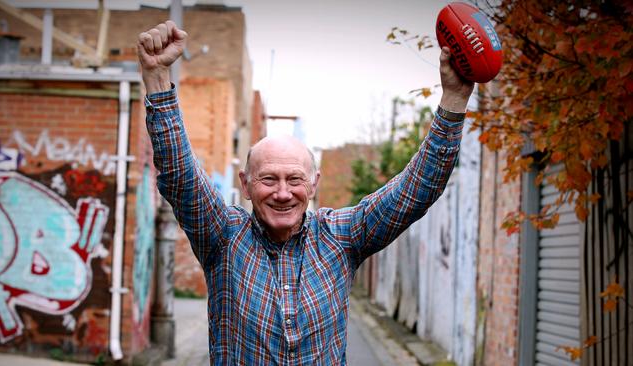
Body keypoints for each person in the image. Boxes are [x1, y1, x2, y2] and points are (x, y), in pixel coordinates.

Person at [138, 20, 473, 365]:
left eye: (295, 180)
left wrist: (455, 98)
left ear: (314, 184)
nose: (283, 193)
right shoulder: (223, 236)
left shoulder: (341, 237)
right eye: (269, 179)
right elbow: (181, 176)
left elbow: (414, 192)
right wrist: (158, 78)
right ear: (246, 185)